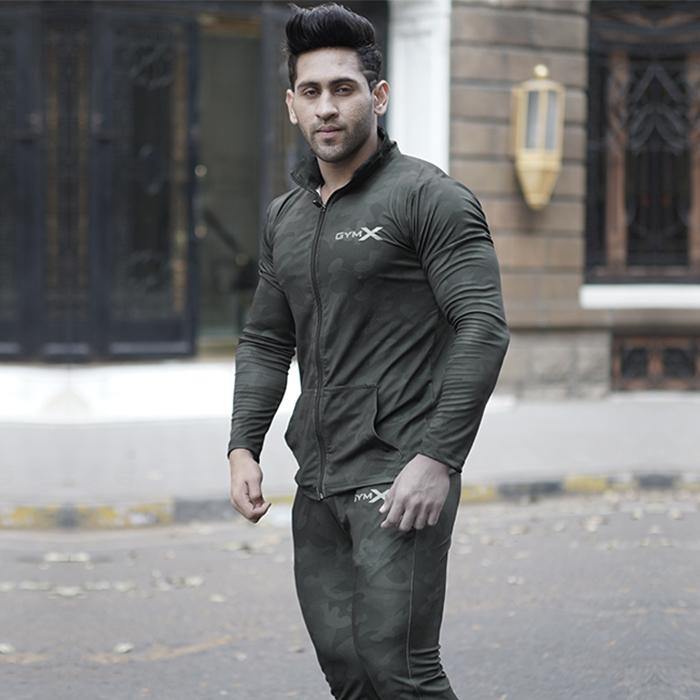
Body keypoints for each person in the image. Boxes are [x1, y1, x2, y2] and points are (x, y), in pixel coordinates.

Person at [226, 4, 510, 698]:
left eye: (343, 89)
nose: (327, 107)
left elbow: (483, 326)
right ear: (292, 104)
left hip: (400, 472)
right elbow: (266, 339)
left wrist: (437, 460)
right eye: (311, 91)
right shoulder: (286, 217)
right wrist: (242, 445)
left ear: (377, 96)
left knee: (399, 668)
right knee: (348, 671)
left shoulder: (429, 198)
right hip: (318, 480)